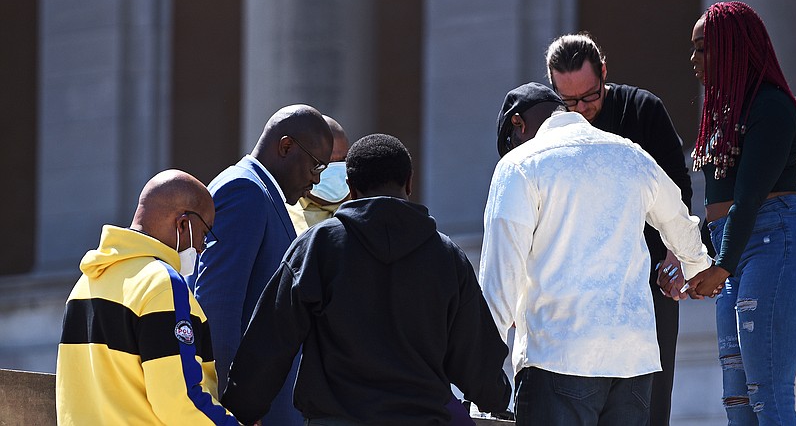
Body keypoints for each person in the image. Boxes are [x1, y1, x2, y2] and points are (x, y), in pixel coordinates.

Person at [221, 134, 511, 426]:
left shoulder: (318, 247)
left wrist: (242, 407)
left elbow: (271, 340)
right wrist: (497, 398)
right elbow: (475, 357)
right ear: (409, 182)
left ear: (349, 187)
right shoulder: (447, 256)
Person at [481, 82, 712, 426]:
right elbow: (679, 220)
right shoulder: (630, 154)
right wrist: (699, 269)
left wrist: (483, 371)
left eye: (511, 141)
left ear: (518, 124)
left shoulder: (519, 166)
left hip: (557, 358)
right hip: (633, 363)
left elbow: (500, 279)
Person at [545, 33, 692, 426]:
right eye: (569, 100)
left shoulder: (643, 109)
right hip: (578, 293)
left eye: (590, 97)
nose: (582, 109)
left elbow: (677, 191)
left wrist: (676, 256)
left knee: (651, 408)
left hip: (647, 283)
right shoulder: (551, 127)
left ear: (604, 73)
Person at [683, 1, 796, 425]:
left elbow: (749, 197)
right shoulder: (722, 115)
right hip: (731, 253)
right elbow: (716, 208)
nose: (693, 59)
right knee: (737, 398)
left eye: (703, 48)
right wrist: (696, 259)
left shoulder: (771, 107)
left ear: (733, 49)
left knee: (767, 391)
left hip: (770, 244)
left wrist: (721, 266)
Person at [56, 170, 239, 425]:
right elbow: (179, 400)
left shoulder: (84, 284)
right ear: (183, 224)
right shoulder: (163, 284)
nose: (201, 246)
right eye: (204, 233)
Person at [190, 104, 333, 425]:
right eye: (316, 166)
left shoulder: (261, 192)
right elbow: (218, 306)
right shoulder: (245, 191)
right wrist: (231, 409)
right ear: (286, 146)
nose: (315, 181)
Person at [287, 115, 351, 234]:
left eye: (343, 159)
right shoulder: (283, 215)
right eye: (327, 161)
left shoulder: (365, 208)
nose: (335, 168)